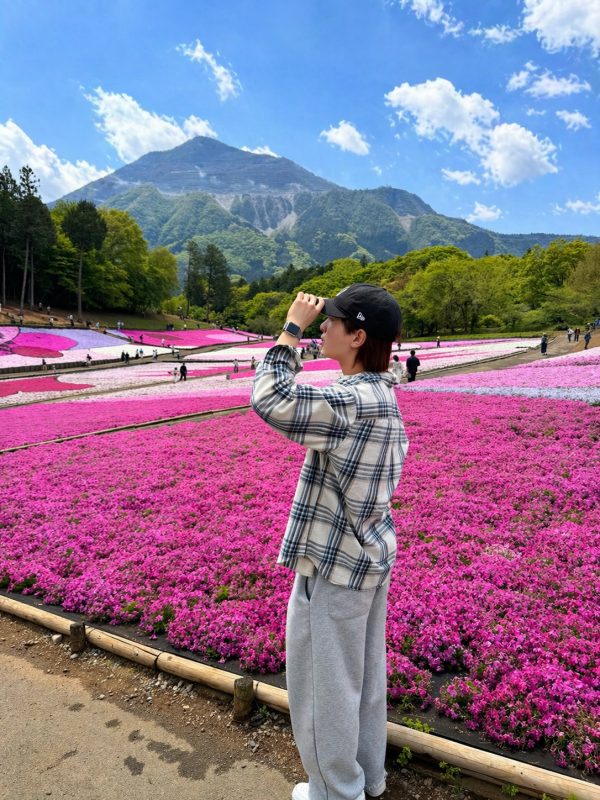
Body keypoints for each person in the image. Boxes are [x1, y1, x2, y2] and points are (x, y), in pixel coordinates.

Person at [252, 284, 408, 800]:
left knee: (323, 688)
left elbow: (269, 398)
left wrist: (290, 329)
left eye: (332, 322)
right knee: (360, 683)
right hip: (370, 558)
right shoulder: (383, 391)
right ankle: (366, 781)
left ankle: (334, 793)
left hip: (333, 565)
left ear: (357, 336)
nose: (323, 327)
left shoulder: (352, 399)